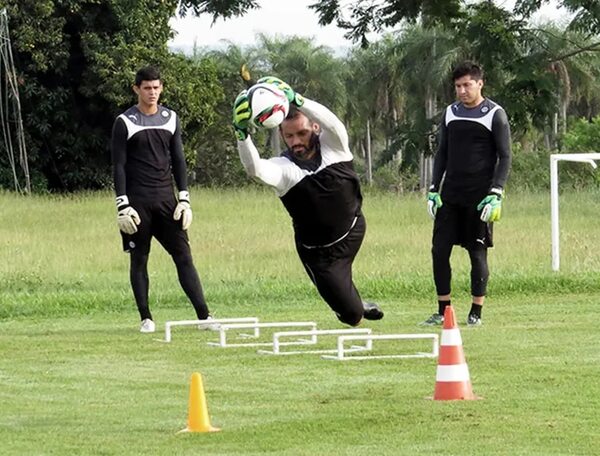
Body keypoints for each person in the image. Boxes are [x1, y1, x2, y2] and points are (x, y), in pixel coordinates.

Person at [232, 76, 383, 326]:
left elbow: (333, 124)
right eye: (289, 136)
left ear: (315, 127)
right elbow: (255, 169)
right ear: (281, 133)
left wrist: (297, 99)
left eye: (302, 133)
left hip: (354, 230)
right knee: (352, 317)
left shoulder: (335, 147)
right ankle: (354, 304)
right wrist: (241, 134)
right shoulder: (284, 169)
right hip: (320, 255)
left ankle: (349, 297)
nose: (296, 141)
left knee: (347, 301)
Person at [111, 66, 213, 333]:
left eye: (156, 87)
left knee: (184, 257)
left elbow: (178, 159)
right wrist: (122, 204)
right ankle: (146, 318)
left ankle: (204, 317)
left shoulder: (171, 118)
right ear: (136, 89)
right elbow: (118, 166)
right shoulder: (125, 121)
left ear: (161, 88)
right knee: (140, 259)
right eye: (147, 88)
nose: (152, 92)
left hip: (167, 201)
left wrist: (185, 198)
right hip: (138, 203)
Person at [422, 61, 512, 327]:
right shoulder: (451, 112)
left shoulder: (495, 114)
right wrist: (433, 188)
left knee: (476, 253)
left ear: (479, 83)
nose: (462, 91)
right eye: (458, 86)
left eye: (467, 85)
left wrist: (496, 191)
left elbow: (505, 156)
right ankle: (443, 310)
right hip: (450, 195)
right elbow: (442, 153)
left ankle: (476, 311)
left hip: (480, 197)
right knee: (439, 251)